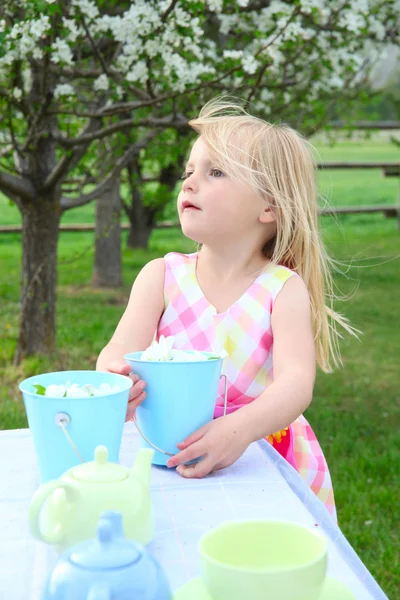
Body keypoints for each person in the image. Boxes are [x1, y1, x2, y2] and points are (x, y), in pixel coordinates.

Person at [97, 98, 356, 518]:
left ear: (268, 206)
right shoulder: (160, 277)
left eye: (215, 172)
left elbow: (295, 384)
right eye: (189, 172)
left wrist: (237, 432)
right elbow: (114, 353)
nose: (190, 183)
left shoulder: (281, 288)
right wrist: (116, 383)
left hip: (259, 454)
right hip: (171, 447)